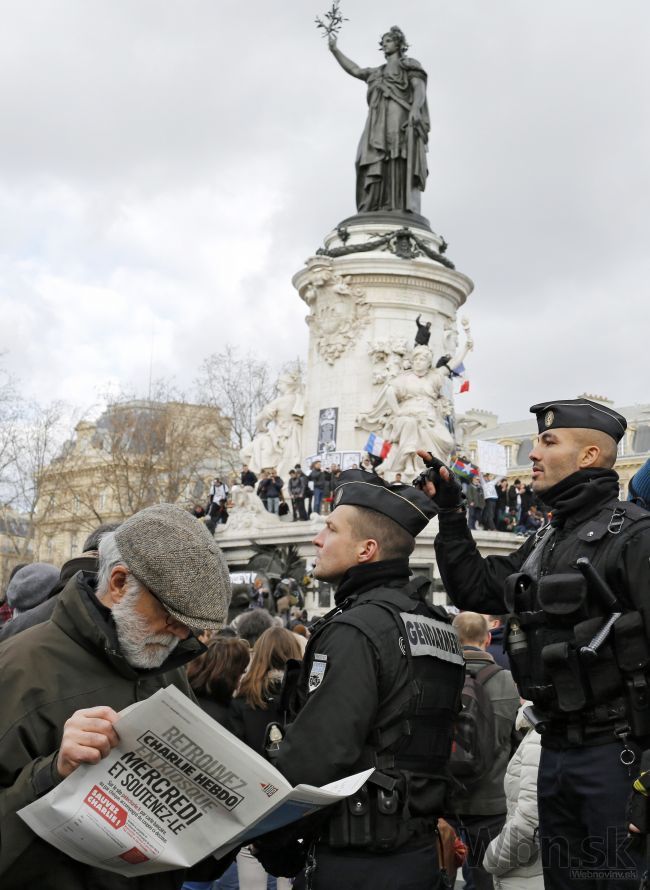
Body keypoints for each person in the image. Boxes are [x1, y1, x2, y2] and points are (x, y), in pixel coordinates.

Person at [419, 397, 650, 888]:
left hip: (618, 759)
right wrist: (452, 513)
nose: (534, 455)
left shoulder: (635, 536)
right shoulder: (546, 538)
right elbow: (478, 590)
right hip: (557, 753)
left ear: (588, 456)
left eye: (548, 442)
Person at [0, 503, 233, 889]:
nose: (178, 635)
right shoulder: (17, 668)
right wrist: (52, 773)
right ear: (119, 583)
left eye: (188, 627)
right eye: (170, 617)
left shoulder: (167, 666)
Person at [261, 468, 465, 889]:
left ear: (366, 550)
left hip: (355, 860)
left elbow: (321, 752)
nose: (318, 539)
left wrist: (270, 836)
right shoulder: (436, 624)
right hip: (417, 852)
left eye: (331, 529)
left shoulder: (356, 629)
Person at [327, 27, 429, 215]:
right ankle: (374, 204)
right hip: (377, 119)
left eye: (388, 40)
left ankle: (396, 204)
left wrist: (415, 108)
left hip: (398, 113)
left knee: (396, 154)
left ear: (399, 43)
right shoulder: (376, 72)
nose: (384, 44)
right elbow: (355, 69)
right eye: (383, 42)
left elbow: (419, 88)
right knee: (365, 158)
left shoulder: (409, 65)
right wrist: (335, 50)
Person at [450, 612, 519, 890]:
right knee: (486, 877)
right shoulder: (508, 682)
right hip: (491, 801)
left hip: (447, 800)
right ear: (488, 638)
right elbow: (518, 745)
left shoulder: (440, 679)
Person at [231, 626, 303, 890]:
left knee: (250, 879)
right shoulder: (305, 700)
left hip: (254, 802)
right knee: (291, 877)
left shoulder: (241, 700)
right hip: (296, 801)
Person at [483, 704, 544, 890]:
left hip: (530, 875)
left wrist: (492, 859)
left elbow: (530, 823)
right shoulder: (537, 731)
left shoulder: (540, 736)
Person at [187, 635, 251, 732]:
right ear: (232, 675)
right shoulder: (230, 718)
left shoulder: (177, 694)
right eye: (241, 672)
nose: (240, 680)